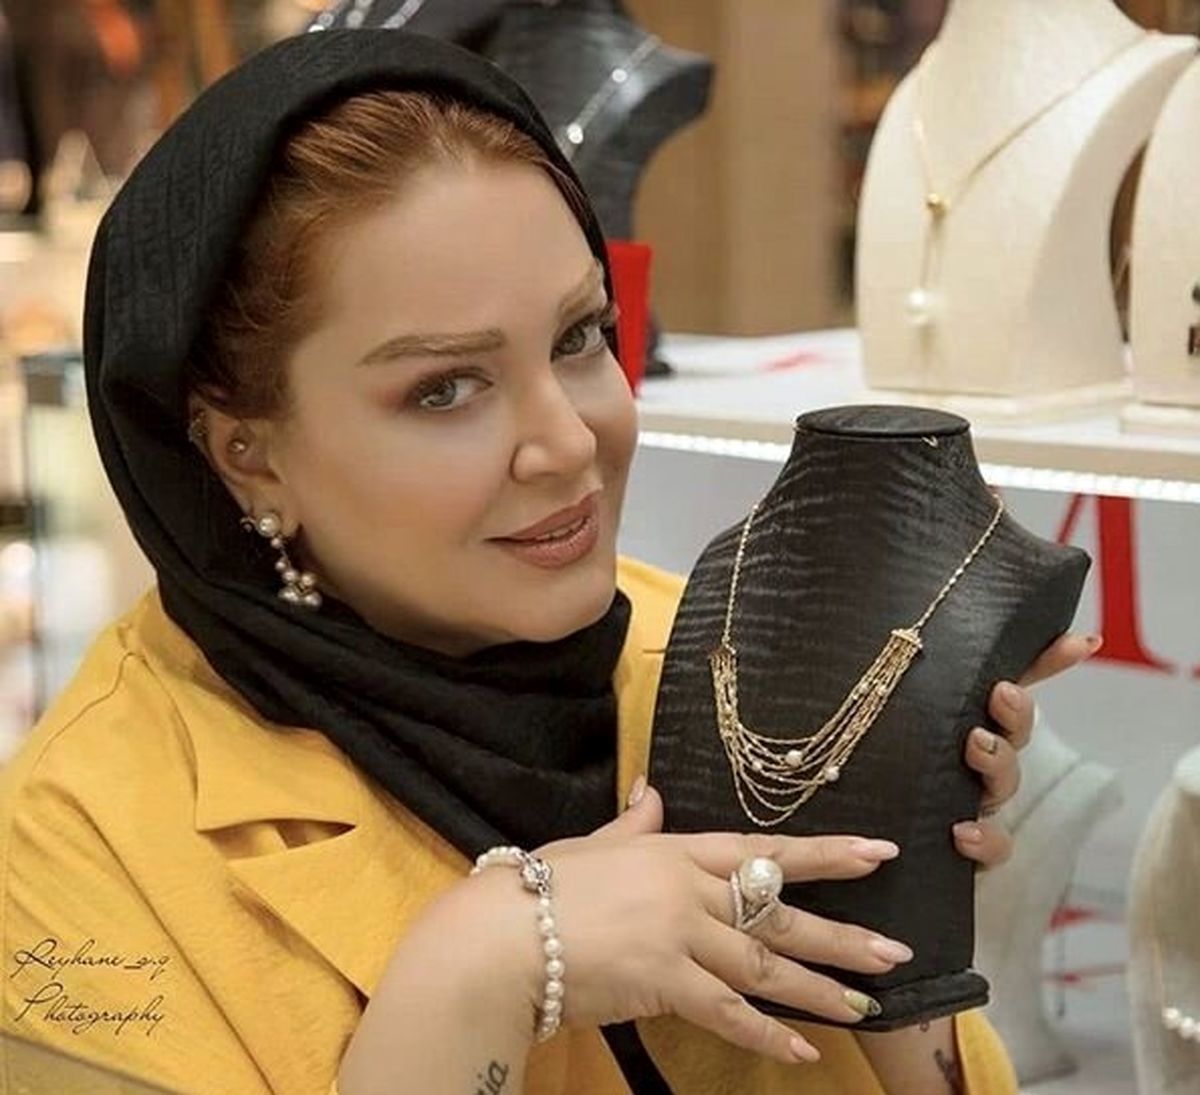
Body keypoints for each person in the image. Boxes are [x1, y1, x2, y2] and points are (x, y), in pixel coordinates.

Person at [0, 29, 1098, 1095]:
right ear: (246, 454)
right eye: (444, 389)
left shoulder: (717, 665)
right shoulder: (77, 847)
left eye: (579, 337)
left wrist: (893, 885)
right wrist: (479, 973)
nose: (570, 442)